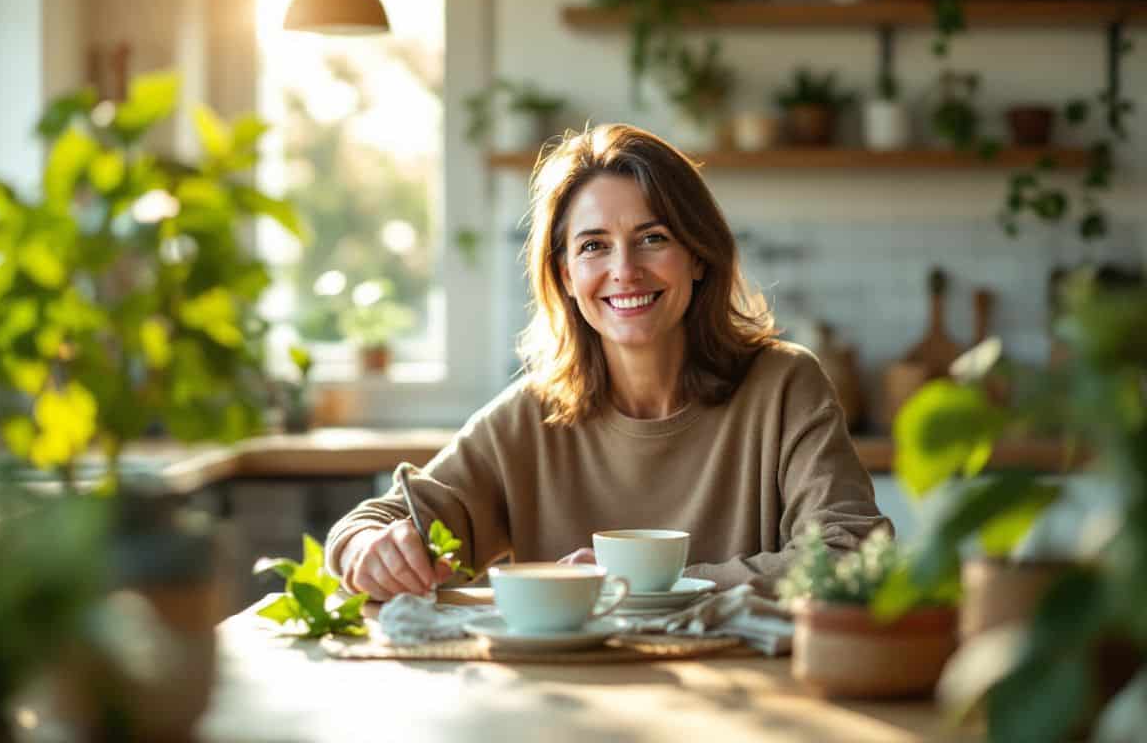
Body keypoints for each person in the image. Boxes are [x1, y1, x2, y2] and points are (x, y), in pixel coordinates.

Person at [325, 123, 891, 600]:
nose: (625, 270)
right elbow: (375, 523)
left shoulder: (785, 387)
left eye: (653, 237)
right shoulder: (531, 417)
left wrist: (632, 586)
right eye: (594, 245)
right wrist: (365, 550)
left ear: (697, 256)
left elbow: (852, 554)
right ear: (567, 276)